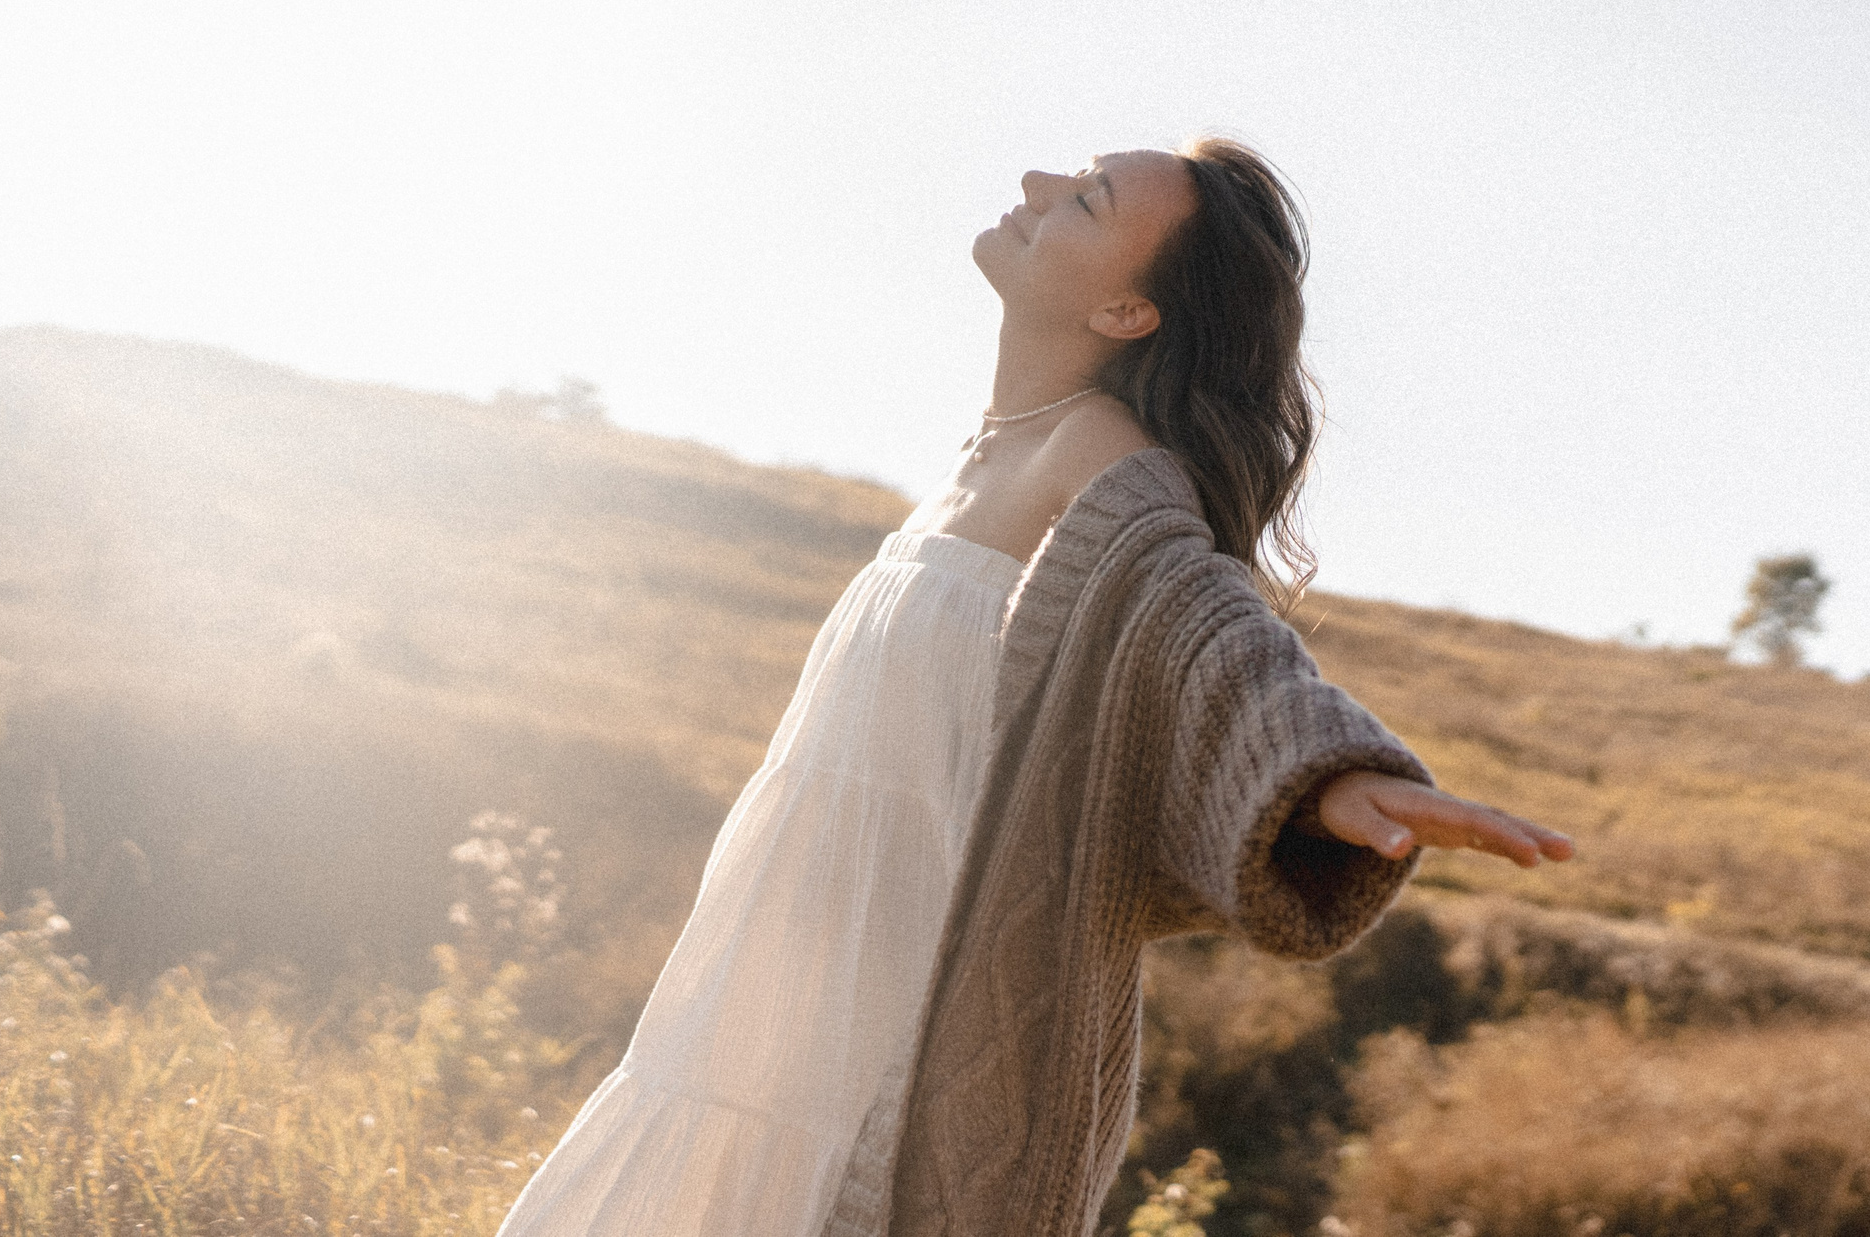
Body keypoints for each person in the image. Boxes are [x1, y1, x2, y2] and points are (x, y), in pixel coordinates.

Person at [495, 137, 1574, 1237]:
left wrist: (1321, 773)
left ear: (1124, 311)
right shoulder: (986, 455)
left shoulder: (1098, 453)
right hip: (778, 979)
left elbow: (1193, 607)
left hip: (889, 1010)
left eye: (1088, 199)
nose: (1036, 187)